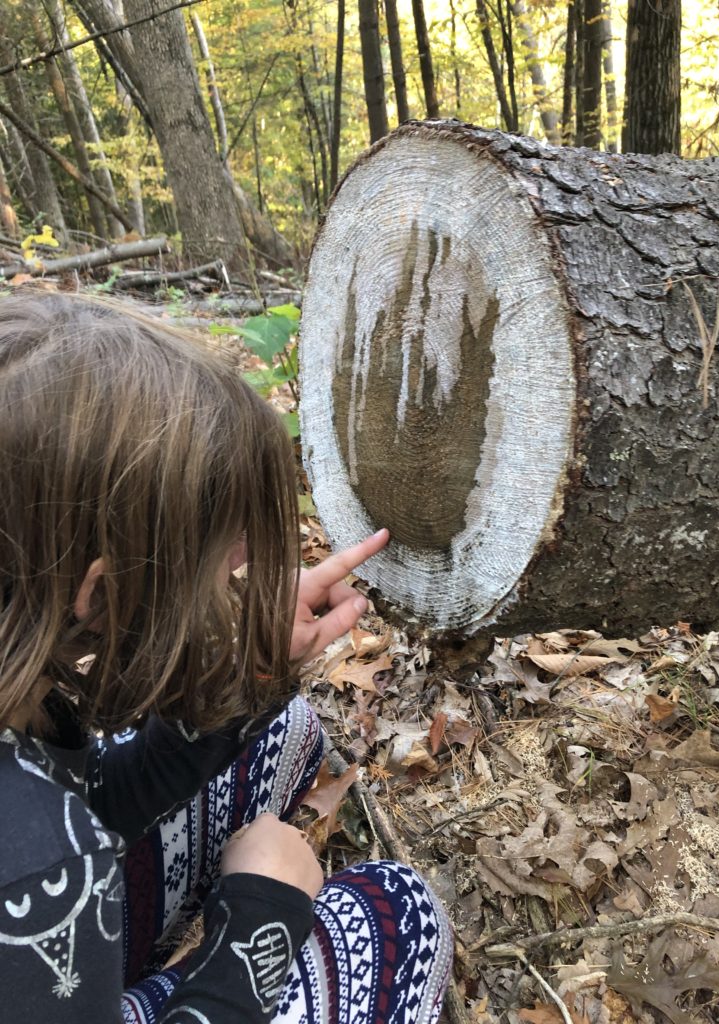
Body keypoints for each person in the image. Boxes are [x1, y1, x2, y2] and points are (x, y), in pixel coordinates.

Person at [0, 292, 453, 1023]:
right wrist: (254, 932)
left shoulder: (20, 683)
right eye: (220, 550)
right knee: (397, 920)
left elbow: (87, 801)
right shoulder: (42, 861)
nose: (244, 559)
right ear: (100, 589)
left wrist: (258, 670)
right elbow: (59, 836)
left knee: (279, 726)